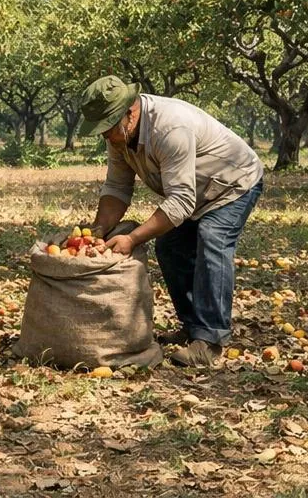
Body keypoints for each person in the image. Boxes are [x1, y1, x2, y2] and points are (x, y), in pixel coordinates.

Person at [77, 75, 264, 368]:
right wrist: (99, 229)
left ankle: (211, 340)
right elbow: (117, 189)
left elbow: (180, 202)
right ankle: (193, 328)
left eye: (108, 128)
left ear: (130, 112)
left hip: (233, 183)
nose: (105, 137)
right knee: (170, 246)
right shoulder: (120, 137)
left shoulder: (169, 128)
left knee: (213, 238)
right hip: (195, 191)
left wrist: (133, 238)